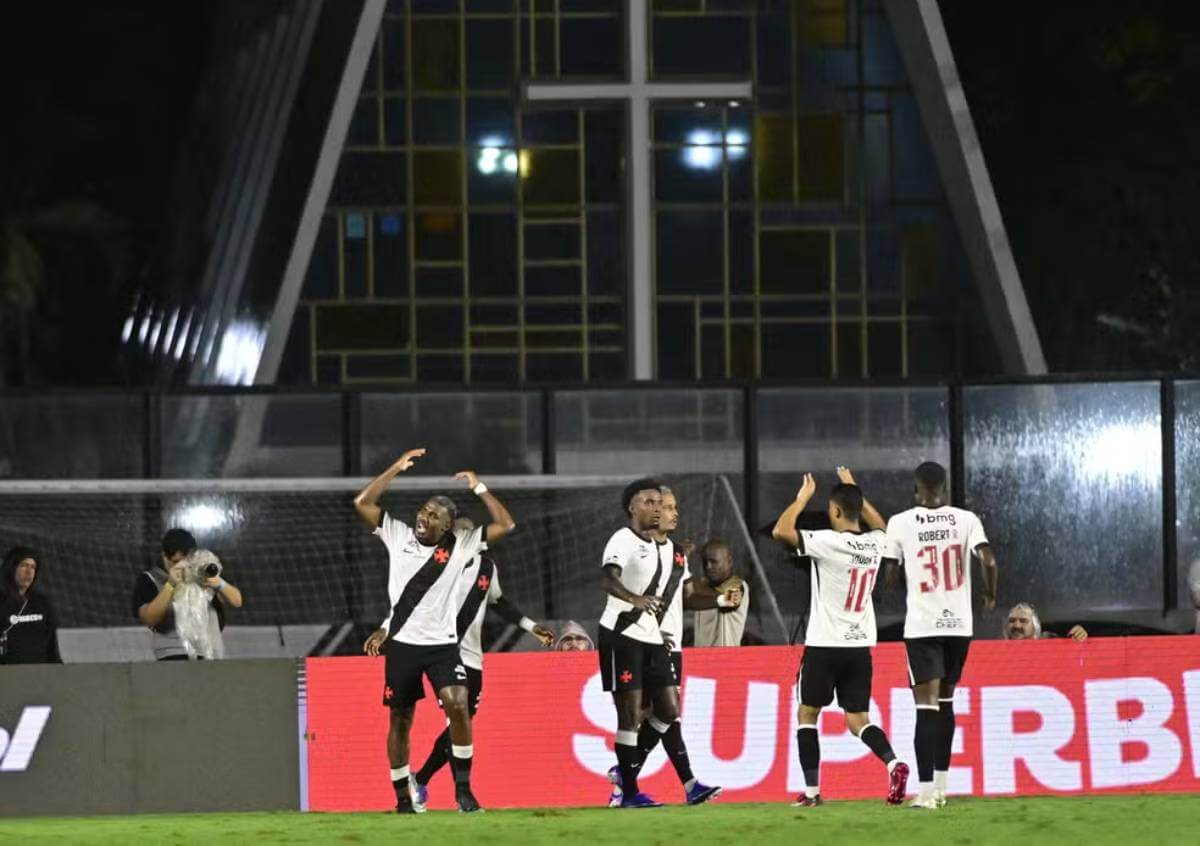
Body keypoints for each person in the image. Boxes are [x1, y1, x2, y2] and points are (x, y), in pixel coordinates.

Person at [355, 448, 516, 815]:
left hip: (442, 646)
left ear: (447, 527)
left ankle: (463, 791)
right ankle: (402, 799)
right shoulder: (396, 534)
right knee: (401, 719)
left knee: (459, 706)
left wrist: (480, 489)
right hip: (402, 647)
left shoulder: (460, 545)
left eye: (435, 516)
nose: (425, 517)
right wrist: (395, 467)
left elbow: (506, 525)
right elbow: (362, 501)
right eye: (424, 510)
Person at [772, 470, 909, 808]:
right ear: (858, 509)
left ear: (834, 512)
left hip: (824, 645)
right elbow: (882, 527)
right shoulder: (876, 544)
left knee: (807, 714)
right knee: (858, 720)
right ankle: (894, 763)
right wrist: (856, 492)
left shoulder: (828, 542)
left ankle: (813, 793)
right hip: (859, 646)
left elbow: (781, 532)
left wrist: (802, 499)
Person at [410, 518, 553, 810]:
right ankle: (464, 795)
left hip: (473, 656)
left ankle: (420, 779)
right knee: (457, 720)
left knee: (460, 725)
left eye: (471, 533)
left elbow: (498, 602)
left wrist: (531, 627)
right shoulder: (434, 563)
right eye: (461, 533)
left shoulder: (487, 568)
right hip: (442, 653)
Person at [607, 486, 735, 807]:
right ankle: (684, 783)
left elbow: (687, 595)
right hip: (651, 640)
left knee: (663, 713)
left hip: (672, 642)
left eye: (674, 506)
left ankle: (627, 777)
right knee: (664, 712)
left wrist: (719, 600)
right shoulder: (637, 548)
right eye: (666, 506)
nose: (673, 512)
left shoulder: (677, 553)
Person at [884, 461, 997, 810]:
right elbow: (989, 561)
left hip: (923, 626)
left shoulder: (900, 523)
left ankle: (927, 792)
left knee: (926, 708)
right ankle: (944, 786)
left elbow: (889, 578)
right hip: (959, 626)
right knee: (946, 703)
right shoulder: (966, 519)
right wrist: (990, 594)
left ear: (917, 490)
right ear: (944, 490)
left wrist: (906, 575)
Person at [597, 478, 676, 809]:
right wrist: (635, 599)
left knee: (669, 710)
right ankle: (630, 793)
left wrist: (658, 629)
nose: (656, 508)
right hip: (621, 636)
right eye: (648, 502)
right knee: (629, 715)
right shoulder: (622, 539)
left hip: (650, 637)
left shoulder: (664, 546)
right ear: (632, 507)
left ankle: (624, 771)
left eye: (659, 502)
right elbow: (608, 577)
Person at [132, 528, 244, 661]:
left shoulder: (203, 573)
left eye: (186, 561)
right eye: (175, 561)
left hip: (210, 653)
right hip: (173, 653)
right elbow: (149, 618)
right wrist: (171, 584)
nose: (182, 565)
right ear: (164, 556)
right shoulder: (151, 579)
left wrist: (219, 582)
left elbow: (237, 601)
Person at [0, 546, 61, 664]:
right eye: (23, 565)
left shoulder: (42, 603)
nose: (29, 572)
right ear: (11, 568)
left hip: (37, 674)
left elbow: (51, 644)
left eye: (33, 567)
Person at [692, 539, 749, 647]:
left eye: (714, 562)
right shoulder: (702, 586)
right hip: (700, 658)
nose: (708, 566)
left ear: (729, 561)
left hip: (724, 659)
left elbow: (727, 601)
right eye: (705, 562)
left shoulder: (737, 584)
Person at [1003, 603, 1087, 641]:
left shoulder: (1049, 643)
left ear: (1034, 627)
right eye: (1012, 621)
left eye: (1023, 621)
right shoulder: (997, 648)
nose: (1017, 625)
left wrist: (1078, 636)